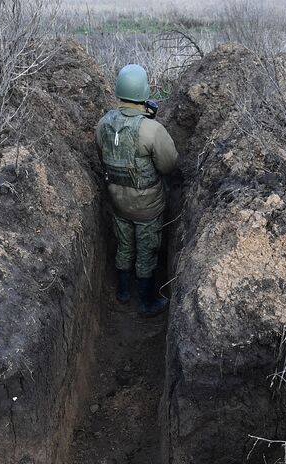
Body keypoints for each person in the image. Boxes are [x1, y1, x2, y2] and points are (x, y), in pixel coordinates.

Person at [96, 63, 178, 316]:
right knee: (147, 250)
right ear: (144, 91)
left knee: (124, 245)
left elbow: (104, 155)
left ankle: (122, 292)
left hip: (118, 201)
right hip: (147, 207)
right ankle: (146, 301)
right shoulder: (152, 129)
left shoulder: (103, 124)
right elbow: (168, 165)